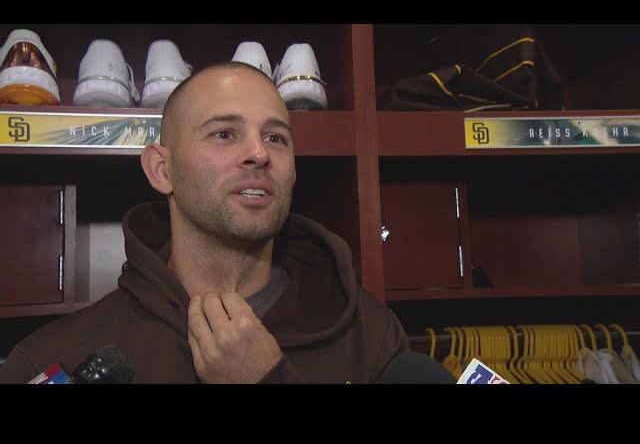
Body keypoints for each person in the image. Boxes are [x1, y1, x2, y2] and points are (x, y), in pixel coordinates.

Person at [0, 61, 409, 384]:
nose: (258, 154)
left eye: (275, 138)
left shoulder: (370, 336)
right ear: (162, 169)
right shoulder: (54, 359)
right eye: (224, 134)